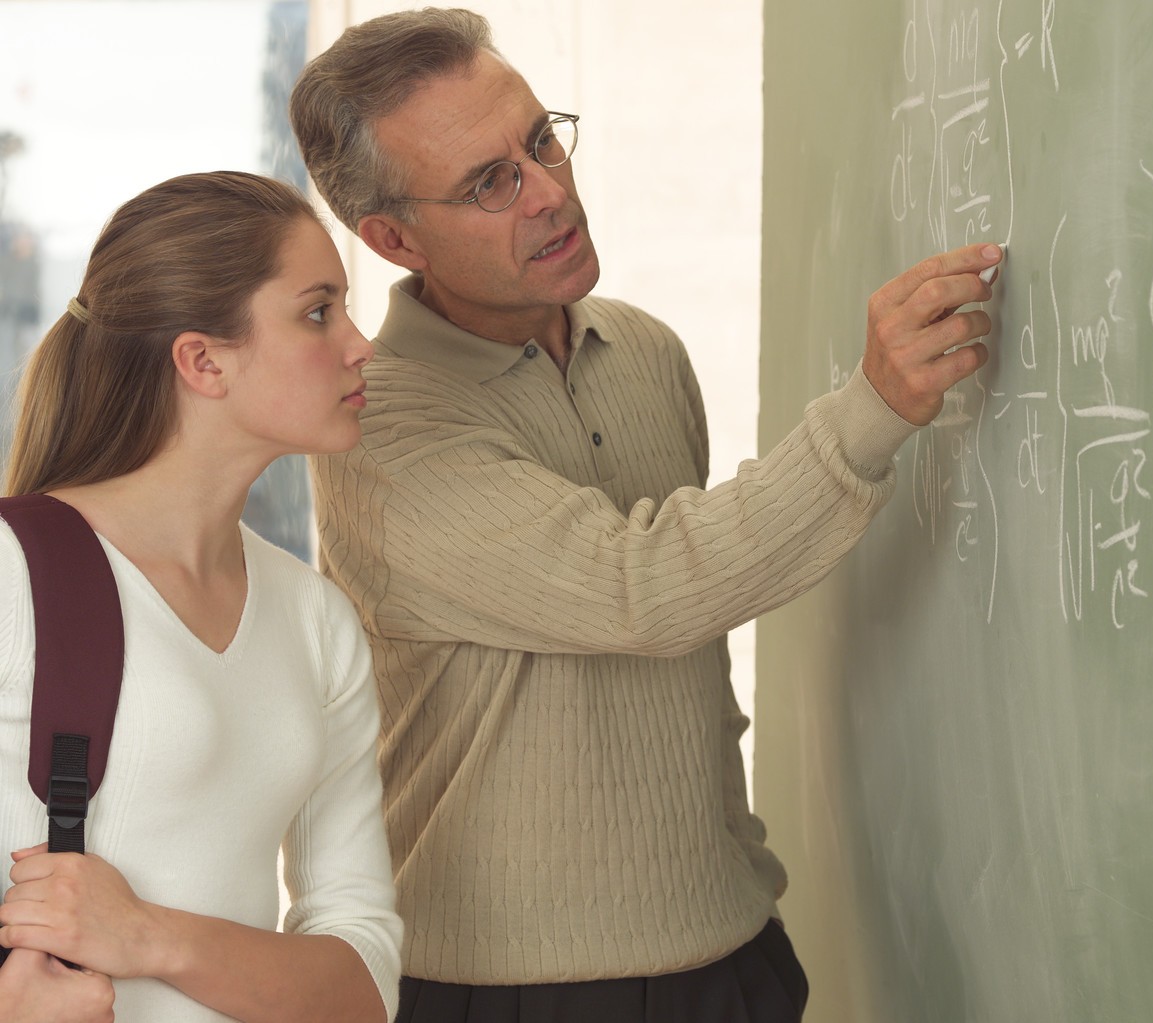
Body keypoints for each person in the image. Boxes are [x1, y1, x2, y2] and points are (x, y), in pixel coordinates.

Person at [289, 9, 1002, 1021]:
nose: (548, 193)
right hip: (501, 991)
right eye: (489, 183)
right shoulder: (380, 432)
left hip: (727, 953)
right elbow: (643, 590)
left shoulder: (644, 352)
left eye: (539, 140)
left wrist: (734, 875)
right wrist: (872, 408)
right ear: (393, 240)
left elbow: (694, 650)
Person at [0, 171, 403, 1022]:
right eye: (319, 311)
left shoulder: (315, 619)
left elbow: (365, 981)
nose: (362, 345)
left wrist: (152, 936)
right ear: (203, 360)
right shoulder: (13, 572)